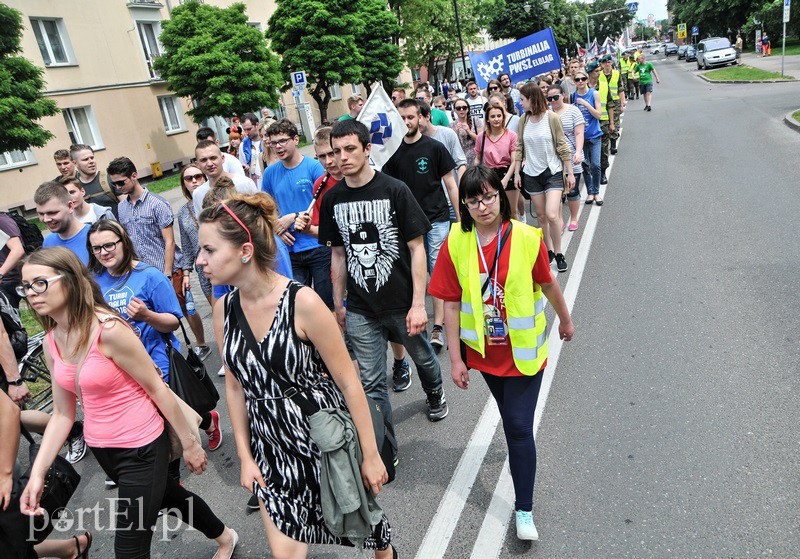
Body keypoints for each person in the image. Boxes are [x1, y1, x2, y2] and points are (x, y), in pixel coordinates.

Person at [198, 193, 396, 558]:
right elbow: (235, 386)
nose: (200, 261)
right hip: (271, 449)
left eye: (209, 250)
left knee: (371, 535)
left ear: (244, 250)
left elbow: (349, 382)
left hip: (321, 441)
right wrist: (245, 455)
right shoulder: (223, 309)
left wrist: (370, 455)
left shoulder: (301, 302)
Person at [18, 247, 238, 559]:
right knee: (169, 497)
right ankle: (226, 536)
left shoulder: (108, 330)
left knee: (129, 551)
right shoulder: (51, 341)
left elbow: (158, 389)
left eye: (39, 283)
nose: (31, 294)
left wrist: (190, 443)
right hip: (104, 449)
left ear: (69, 281)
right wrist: (38, 472)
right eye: (26, 286)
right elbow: (63, 415)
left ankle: (226, 537)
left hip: (142, 447)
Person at [428, 165, 574, 542]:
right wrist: (457, 360)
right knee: (510, 418)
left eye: (489, 196)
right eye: (473, 199)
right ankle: (520, 485)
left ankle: (523, 509)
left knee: (518, 427)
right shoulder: (456, 243)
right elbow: (451, 303)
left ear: (501, 196)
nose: (483, 205)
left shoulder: (526, 237)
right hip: (486, 358)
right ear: (463, 203)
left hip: (524, 355)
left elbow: (547, 284)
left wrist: (565, 320)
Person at [319, 119, 448, 425]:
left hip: (402, 302)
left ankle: (435, 392)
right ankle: (384, 444)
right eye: (336, 151)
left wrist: (419, 305)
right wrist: (338, 304)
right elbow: (337, 254)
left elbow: (417, 249)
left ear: (367, 149)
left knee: (423, 358)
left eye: (350, 149)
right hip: (361, 307)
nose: (342, 157)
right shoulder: (332, 199)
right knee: (372, 382)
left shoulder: (395, 190)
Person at [109, 157, 211, 358]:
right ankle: (167, 349)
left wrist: (167, 272)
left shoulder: (157, 203)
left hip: (167, 268)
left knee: (184, 307)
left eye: (122, 182)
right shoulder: (122, 208)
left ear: (134, 176)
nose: (119, 187)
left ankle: (201, 343)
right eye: (115, 184)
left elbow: (169, 242)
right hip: (141, 271)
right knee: (153, 313)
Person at [382, 99, 459, 351]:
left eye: (411, 117)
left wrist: (460, 220)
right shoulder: (392, 154)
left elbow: (450, 184)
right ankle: (418, 320)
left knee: (436, 273)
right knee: (416, 275)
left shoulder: (435, 148)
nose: (406, 122)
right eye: (402, 118)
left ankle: (437, 328)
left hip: (437, 219)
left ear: (420, 117)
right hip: (407, 226)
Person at [261, 119, 332, 309]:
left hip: (318, 245)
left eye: (283, 141)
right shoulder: (270, 173)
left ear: (295, 139)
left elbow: (323, 205)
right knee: (297, 305)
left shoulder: (313, 167)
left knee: (327, 303)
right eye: (273, 142)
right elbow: (265, 208)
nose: (278, 146)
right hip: (290, 249)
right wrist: (276, 227)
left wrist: (292, 217)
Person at [513, 82, 574, 273]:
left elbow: (562, 145)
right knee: (540, 216)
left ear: (531, 98)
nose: (520, 103)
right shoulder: (523, 120)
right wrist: (516, 172)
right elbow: (519, 147)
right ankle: (547, 250)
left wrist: (569, 172)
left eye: (522, 99)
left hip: (553, 172)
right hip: (532, 173)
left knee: (552, 214)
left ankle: (559, 252)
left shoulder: (552, 118)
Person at [548, 84, 585, 231]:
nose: (553, 101)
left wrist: (578, 151)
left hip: (572, 157)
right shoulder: (547, 113)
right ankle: (560, 220)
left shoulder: (573, 111)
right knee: (556, 192)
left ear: (563, 95)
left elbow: (579, 133)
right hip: (554, 160)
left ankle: (574, 218)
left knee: (572, 190)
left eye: (556, 97)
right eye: (549, 98)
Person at [176, 165, 214, 307]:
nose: (194, 181)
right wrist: (186, 274)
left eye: (198, 176)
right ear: (184, 184)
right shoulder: (182, 212)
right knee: (218, 313)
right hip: (203, 269)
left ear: (204, 178)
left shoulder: (214, 201)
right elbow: (186, 246)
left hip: (222, 261)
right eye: (189, 178)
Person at [475, 104, 519, 218]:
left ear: (503, 117)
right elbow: (477, 158)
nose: (496, 119)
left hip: (507, 173)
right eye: (493, 116)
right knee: (494, 211)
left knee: (512, 211)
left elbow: (514, 160)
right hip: (489, 175)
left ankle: (515, 235)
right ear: (487, 119)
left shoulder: (511, 135)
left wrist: (505, 179)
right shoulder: (481, 137)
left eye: (499, 116)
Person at [193, 140, 259, 215]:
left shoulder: (244, 183)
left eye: (213, 158)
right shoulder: (198, 194)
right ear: (197, 164)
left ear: (222, 158)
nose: (209, 164)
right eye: (203, 160)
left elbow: (260, 216)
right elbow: (202, 223)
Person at [36, 182, 91, 264]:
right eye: (41, 214)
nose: (46, 219)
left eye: (52, 212)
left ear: (70, 207)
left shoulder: (93, 236)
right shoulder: (48, 242)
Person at [570, 69, 603, 205]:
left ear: (587, 80)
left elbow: (599, 115)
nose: (580, 82)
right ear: (574, 82)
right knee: (585, 165)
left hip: (594, 135)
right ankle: (590, 192)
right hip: (580, 138)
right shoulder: (572, 96)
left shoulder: (594, 94)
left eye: (583, 79)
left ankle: (597, 192)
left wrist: (586, 104)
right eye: (577, 80)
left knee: (596, 165)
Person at [69, 144, 119, 211]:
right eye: (85, 159)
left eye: (92, 158)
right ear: (75, 163)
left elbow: (127, 207)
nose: (91, 161)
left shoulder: (110, 178)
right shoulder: (73, 186)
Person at [587, 61, 613, 185]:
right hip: (588, 124)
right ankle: (592, 173)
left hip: (603, 122)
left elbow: (610, 104)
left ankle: (602, 173)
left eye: (599, 70)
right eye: (596, 71)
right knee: (590, 151)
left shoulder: (604, 84)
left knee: (603, 149)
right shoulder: (583, 86)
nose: (599, 73)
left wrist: (612, 122)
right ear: (590, 73)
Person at [598, 55, 625, 156]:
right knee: (606, 122)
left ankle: (613, 143)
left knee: (615, 123)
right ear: (602, 64)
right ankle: (607, 141)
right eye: (605, 63)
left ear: (611, 63)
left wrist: (622, 103)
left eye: (609, 62)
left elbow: (620, 89)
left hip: (615, 102)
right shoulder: (599, 75)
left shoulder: (616, 74)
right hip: (603, 102)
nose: (607, 64)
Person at [451, 98, 480, 167]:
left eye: (464, 107)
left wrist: (469, 131)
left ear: (468, 109)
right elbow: (451, 144)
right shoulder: (451, 125)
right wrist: (456, 133)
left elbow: (481, 140)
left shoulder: (476, 121)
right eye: (458, 108)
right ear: (455, 110)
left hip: (476, 157)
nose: (461, 110)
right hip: (461, 159)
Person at [239, 113, 263, 185]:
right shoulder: (243, 145)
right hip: (255, 187)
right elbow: (242, 168)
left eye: (249, 129)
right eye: (244, 130)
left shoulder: (266, 140)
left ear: (257, 125)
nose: (246, 132)